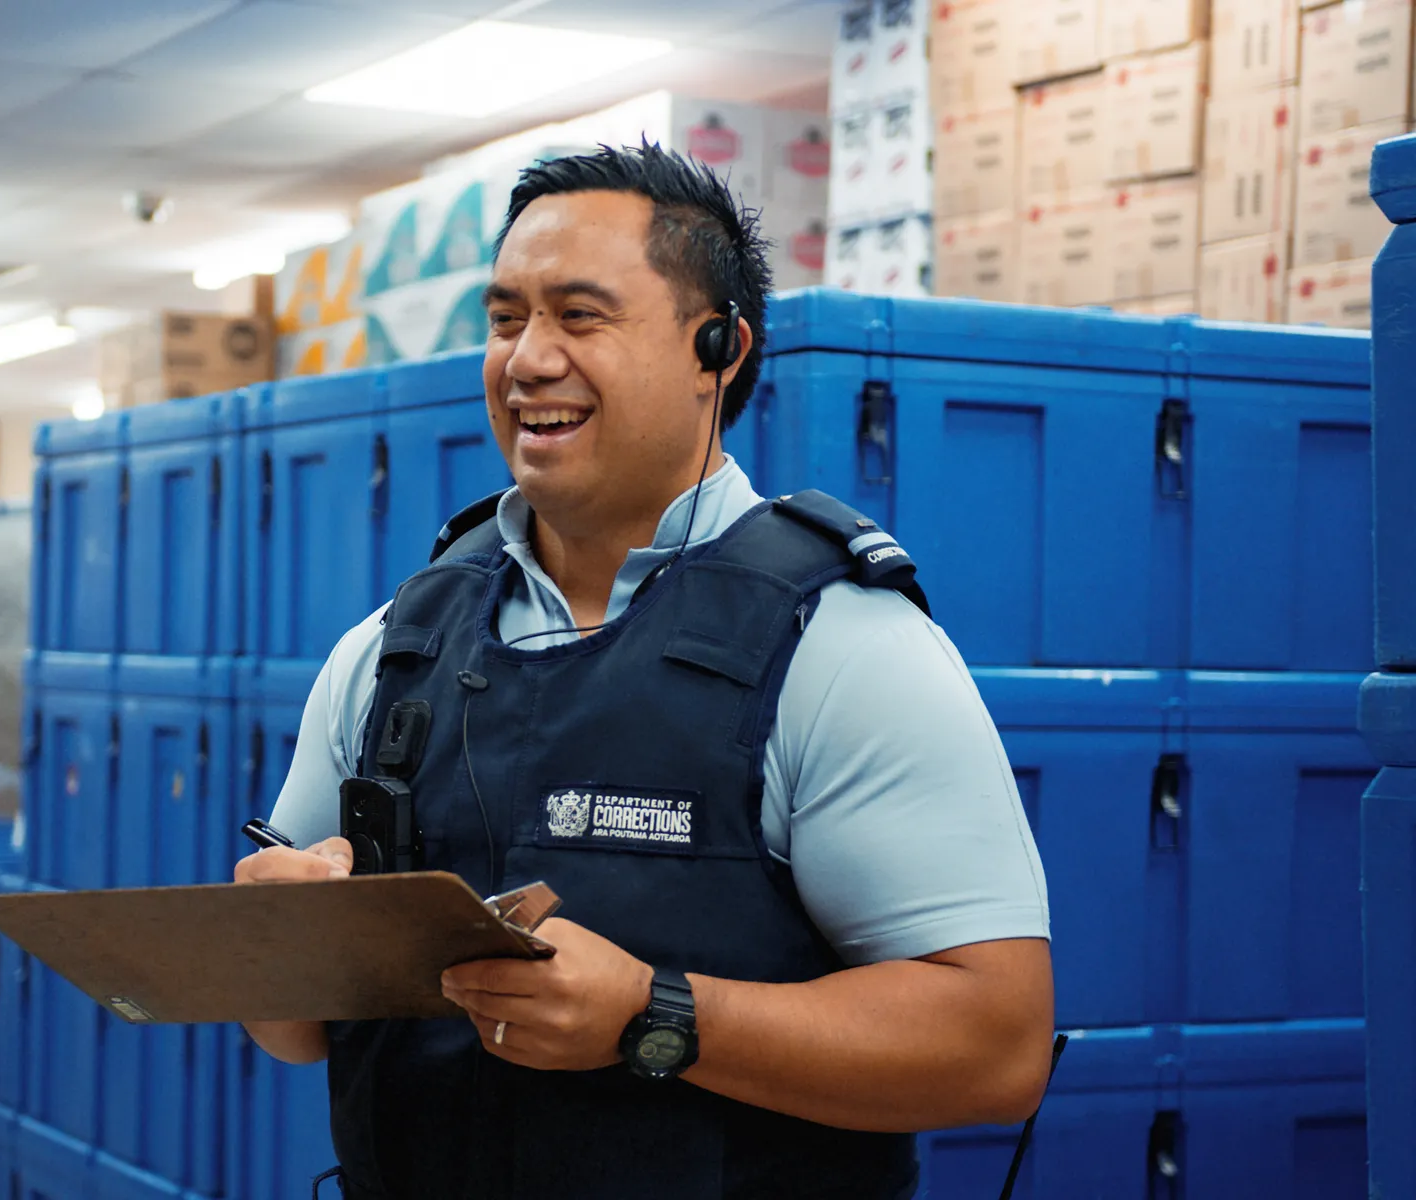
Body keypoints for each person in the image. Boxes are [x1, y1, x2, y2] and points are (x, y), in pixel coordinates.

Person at [233, 143, 1054, 1200]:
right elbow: (294, 1033)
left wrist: (654, 1017)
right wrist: (274, 940)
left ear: (716, 349)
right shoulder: (394, 648)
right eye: (505, 318)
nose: (527, 359)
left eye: (579, 315)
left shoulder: (840, 648)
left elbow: (995, 1047)